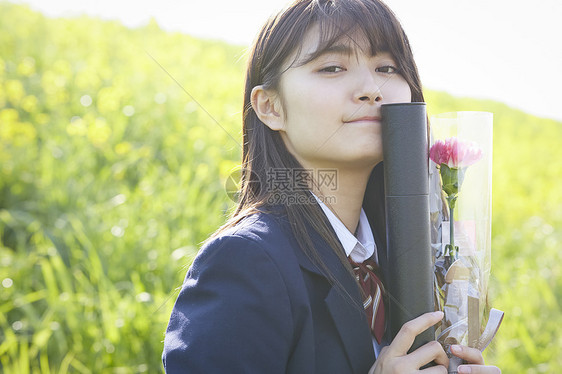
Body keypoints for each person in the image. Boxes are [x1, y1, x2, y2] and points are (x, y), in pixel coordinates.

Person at [162, 0, 501, 373]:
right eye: (332, 67)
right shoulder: (245, 262)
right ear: (270, 106)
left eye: (387, 67)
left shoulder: (414, 260)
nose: (372, 89)